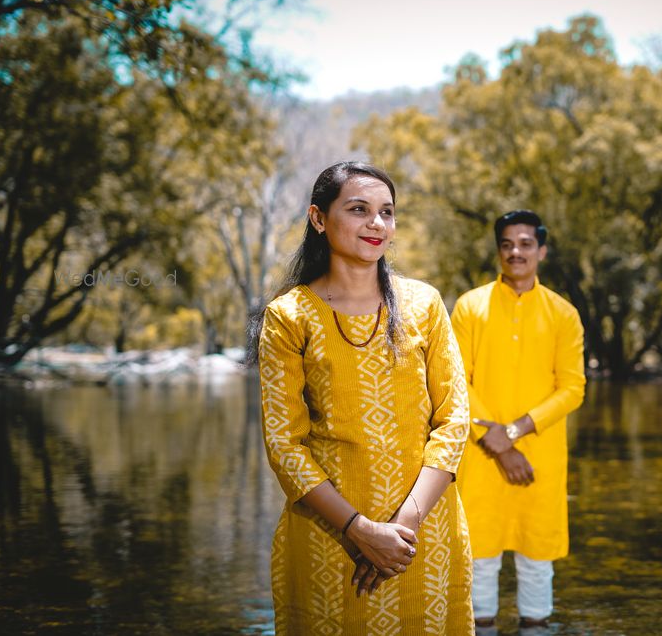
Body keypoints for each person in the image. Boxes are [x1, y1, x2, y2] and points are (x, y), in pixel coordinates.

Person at [250, 161, 474, 635]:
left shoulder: (424, 304)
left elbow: (454, 420)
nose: (377, 224)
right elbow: (284, 445)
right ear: (318, 219)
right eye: (359, 209)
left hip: (424, 535)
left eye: (387, 212)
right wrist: (359, 531)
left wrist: (401, 529)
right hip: (329, 536)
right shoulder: (289, 316)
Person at [451, 210, 586, 630]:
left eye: (526, 243)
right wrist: (497, 442)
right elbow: (456, 381)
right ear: (498, 250)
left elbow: (572, 389)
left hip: (538, 455)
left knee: (536, 564)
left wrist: (511, 434)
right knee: (480, 560)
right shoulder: (470, 307)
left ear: (541, 251)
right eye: (507, 244)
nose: (516, 252)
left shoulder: (563, 314)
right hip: (480, 456)